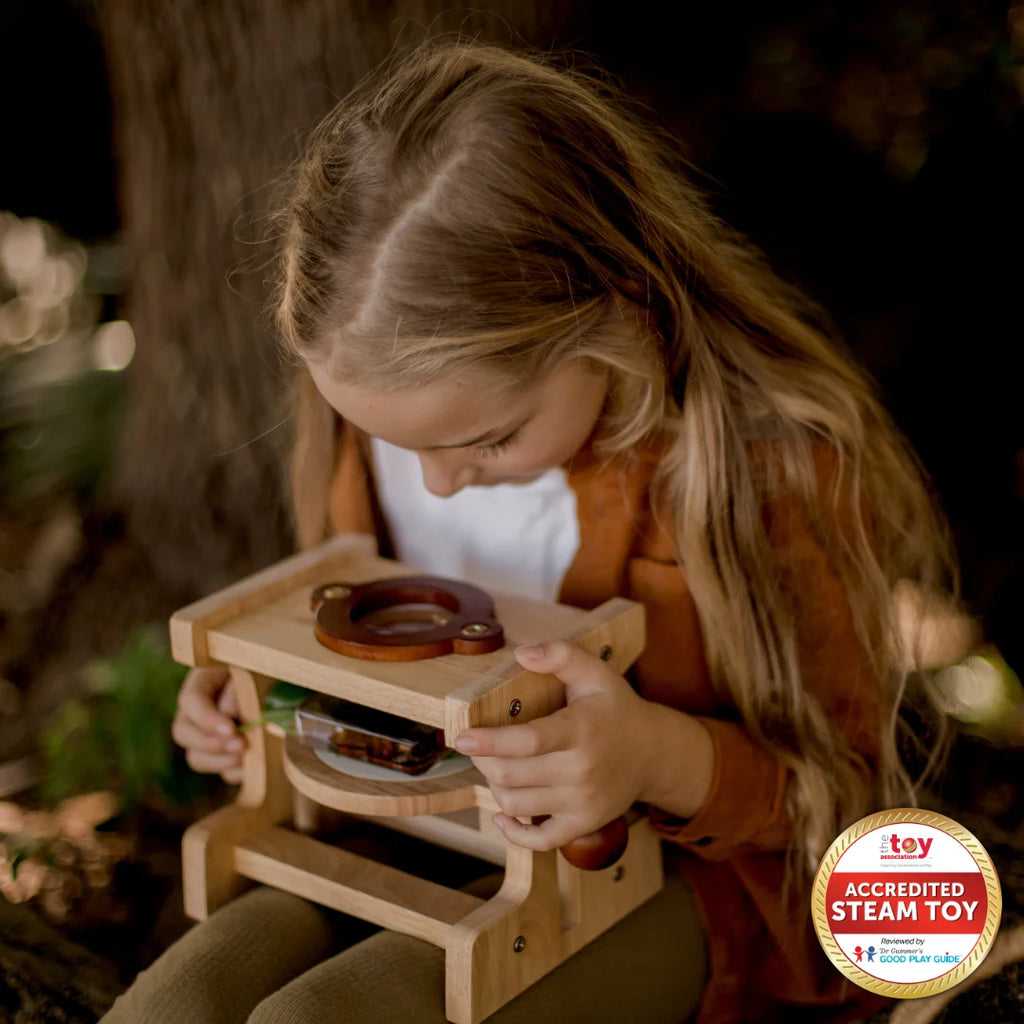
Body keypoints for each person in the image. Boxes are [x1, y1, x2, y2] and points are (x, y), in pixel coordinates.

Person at [103, 39, 959, 1024]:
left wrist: (653, 756)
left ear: (617, 311)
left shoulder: (761, 472)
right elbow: (373, 652)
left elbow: (845, 804)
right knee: (179, 1004)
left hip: (681, 887)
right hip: (409, 838)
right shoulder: (385, 419)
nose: (437, 482)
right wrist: (278, 693)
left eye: (491, 438)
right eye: (391, 443)